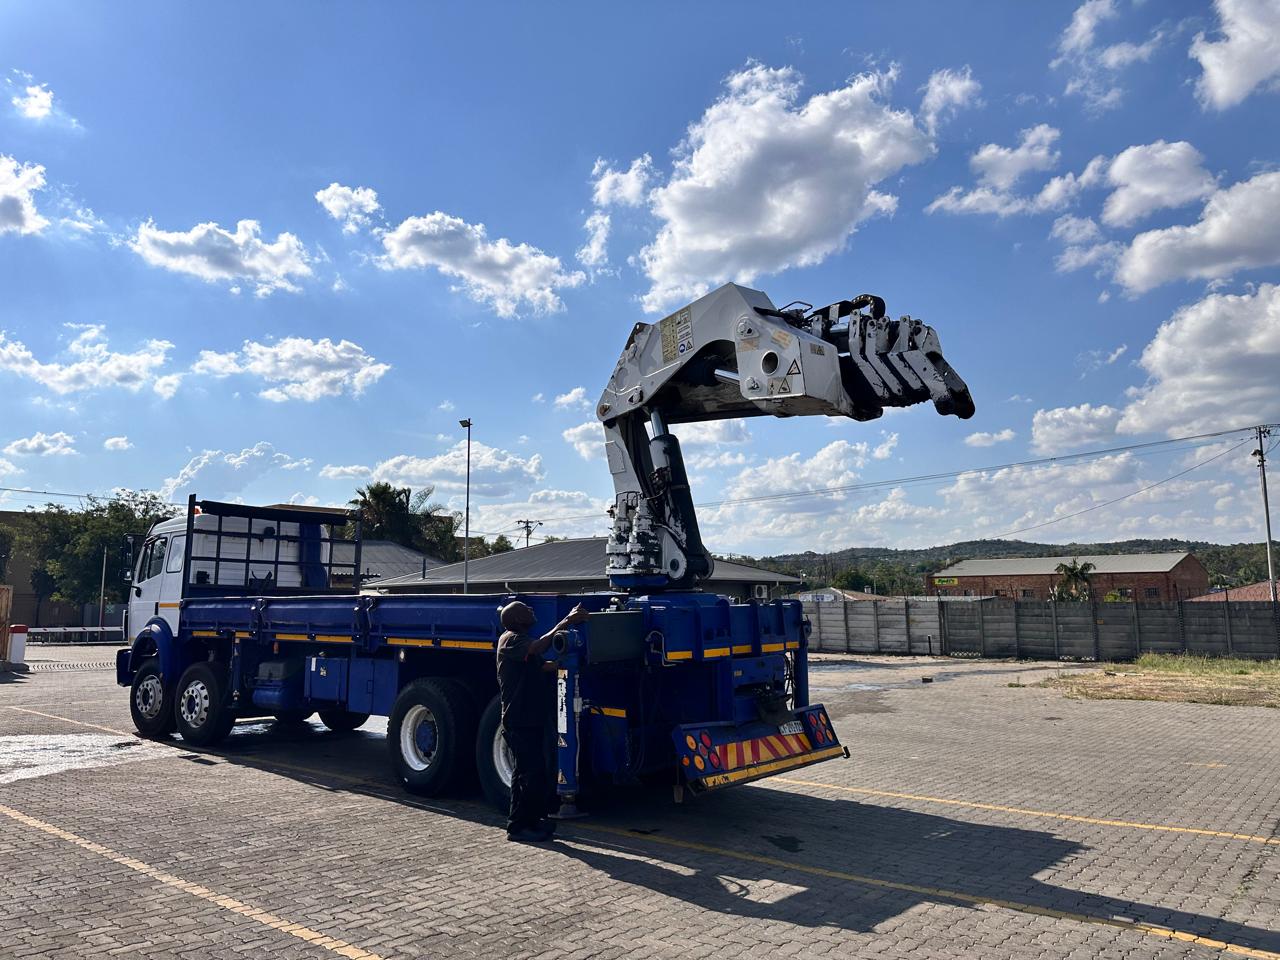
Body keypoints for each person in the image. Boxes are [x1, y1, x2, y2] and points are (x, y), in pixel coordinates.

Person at [496, 599, 589, 842]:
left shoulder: (521, 641)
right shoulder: (511, 640)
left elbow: (543, 666)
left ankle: (531, 821)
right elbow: (537, 648)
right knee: (528, 775)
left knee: (531, 773)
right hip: (519, 720)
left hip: (531, 718)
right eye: (526, 609)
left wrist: (565, 664)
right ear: (518, 620)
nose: (531, 610)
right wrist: (566, 621)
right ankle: (518, 828)